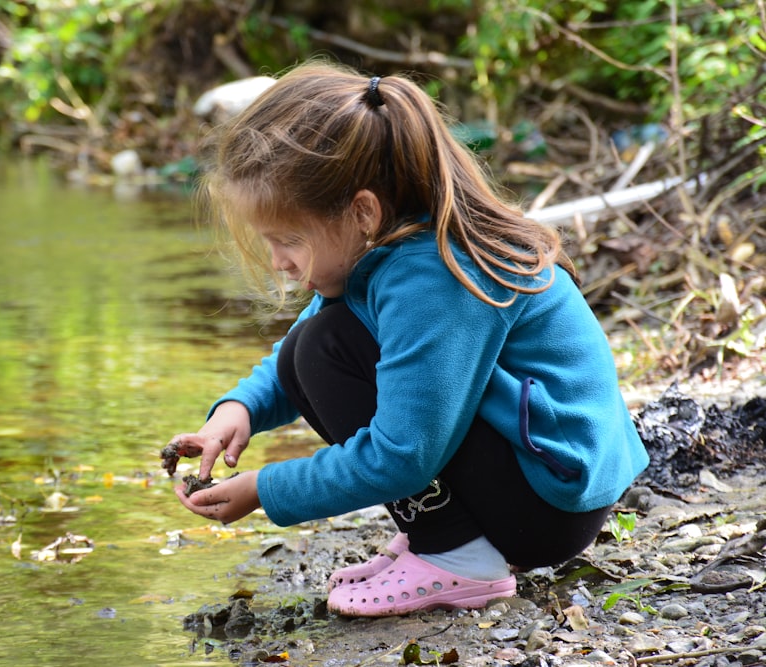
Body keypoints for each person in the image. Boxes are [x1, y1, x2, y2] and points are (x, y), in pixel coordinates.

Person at [169, 61, 649, 618]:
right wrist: (240, 409)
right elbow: (296, 354)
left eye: (289, 240)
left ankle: (460, 555)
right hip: (547, 480)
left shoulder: (434, 277)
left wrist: (267, 490)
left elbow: (402, 455)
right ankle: (448, 536)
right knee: (315, 347)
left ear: (363, 212)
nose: (278, 262)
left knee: (324, 351)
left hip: (551, 502)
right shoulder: (397, 246)